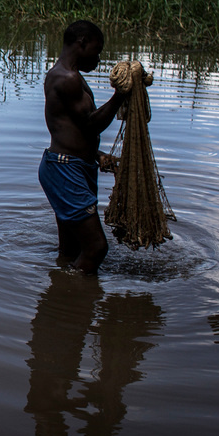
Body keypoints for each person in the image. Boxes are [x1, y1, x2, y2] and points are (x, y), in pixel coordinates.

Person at [39, 20, 128, 273]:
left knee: (71, 251)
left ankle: (62, 289)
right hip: (66, 171)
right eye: (97, 51)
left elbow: (73, 129)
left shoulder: (71, 76)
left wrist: (97, 155)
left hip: (72, 166)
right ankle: (72, 301)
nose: (98, 58)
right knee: (96, 248)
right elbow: (90, 125)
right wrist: (119, 96)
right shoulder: (67, 79)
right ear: (82, 43)